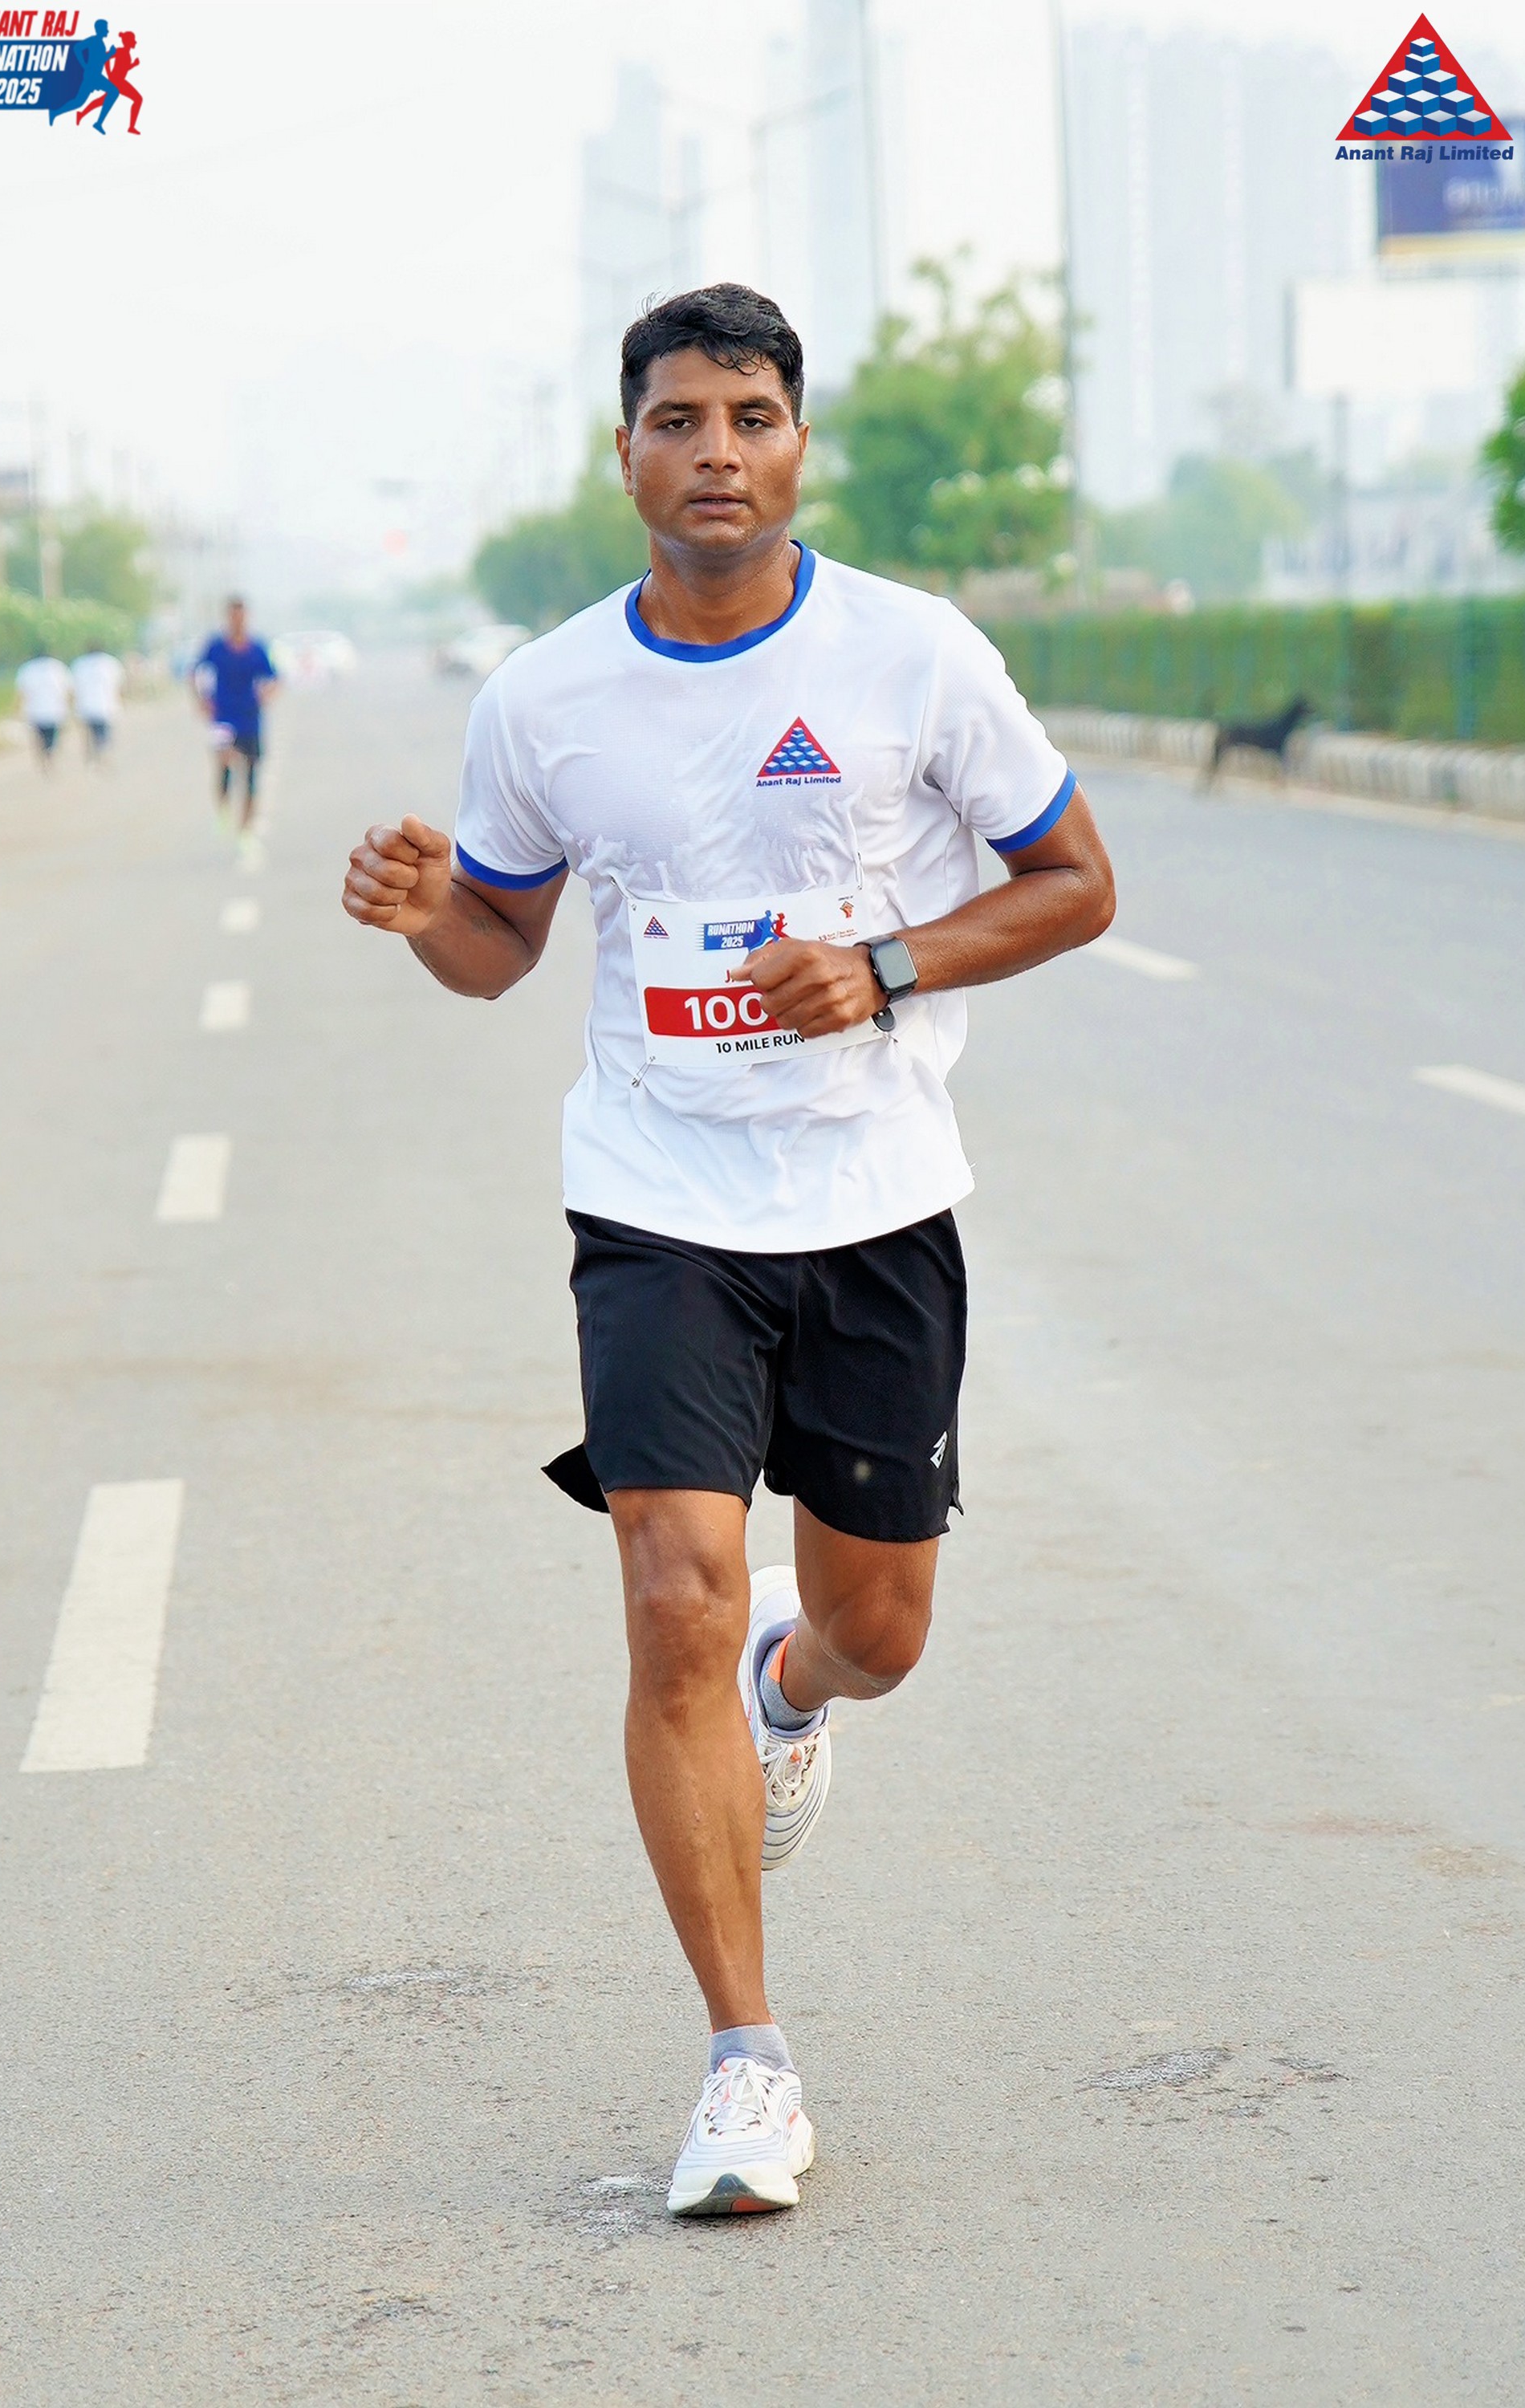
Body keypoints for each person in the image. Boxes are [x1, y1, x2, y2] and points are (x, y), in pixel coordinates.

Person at [341, 285, 1115, 2219]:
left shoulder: (911, 655)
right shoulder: (541, 699)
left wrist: (886, 961)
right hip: (656, 1202)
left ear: (795, 449)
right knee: (669, 1591)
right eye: (676, 418)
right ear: (624, 455)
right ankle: (743, 2064)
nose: (714, 450)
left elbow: (1074, 882)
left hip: (873, 1205)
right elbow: (498, 949)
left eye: (749, 417)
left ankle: (798, 1681)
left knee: (880, 1630)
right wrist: (431, 913)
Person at [192, 597, 277, 856]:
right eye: (233, 616)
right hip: (223, 717)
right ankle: (223, 810)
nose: (237, 620)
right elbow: (194, 672)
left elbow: (273, 677)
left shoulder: (256, 648)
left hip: (250, 718)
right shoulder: (216, 647)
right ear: (228, 617)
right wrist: (201, 700)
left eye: (241, 616)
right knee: (224, 764)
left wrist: (266, 695)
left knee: (250, 776)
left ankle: (246, 830)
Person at [14, 653, 71, 771]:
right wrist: (68, 707)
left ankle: (43, 759)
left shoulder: (28, 669)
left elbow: (21, 693)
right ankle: (49, 758)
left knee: (39, 739)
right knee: (52, 739)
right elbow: (67, 690)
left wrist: (17, 710)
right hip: (55, 712)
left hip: (35, 712)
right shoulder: (57, 667)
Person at [70, 647, 124, 764]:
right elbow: (120, 685)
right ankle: (103, 758)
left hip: (86, 707)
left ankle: (92, 759)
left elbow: (73, 688)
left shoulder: (80, 664)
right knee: (104, 735)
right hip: (106, 707)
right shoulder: (110, 663)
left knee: (89, 735)